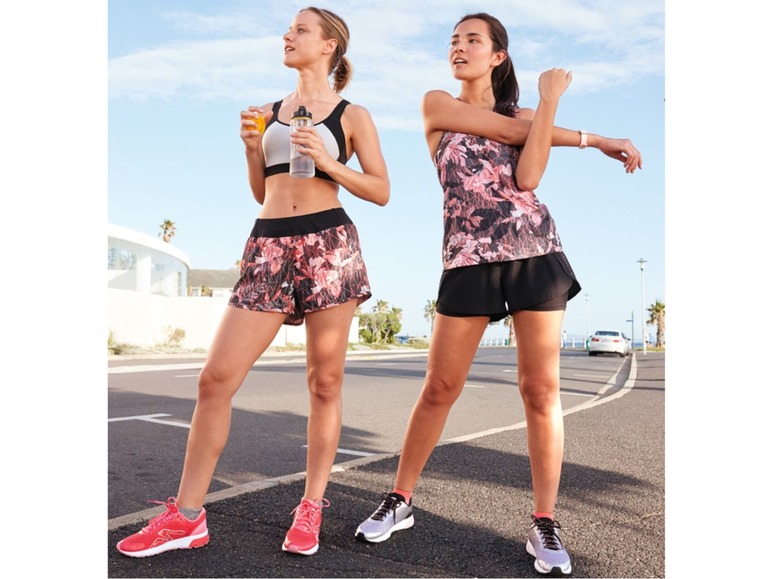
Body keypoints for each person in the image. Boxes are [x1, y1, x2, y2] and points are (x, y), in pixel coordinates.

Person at [354, 12, 641, 577]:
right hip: (467, 258)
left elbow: (529, 176)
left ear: (497, 55)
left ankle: (544, 521)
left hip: (534, 251)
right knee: (440, 386)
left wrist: (547, 107)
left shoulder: (531, 115)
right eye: (454, 41)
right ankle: (400, 499)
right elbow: (510, 134)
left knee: (539, 389)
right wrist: (597, 138)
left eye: (472, 40)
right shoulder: (438, 103)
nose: (458, 48)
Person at [116, 6, 389, 559]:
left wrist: (328, 162)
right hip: (267, 245)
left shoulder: (351, 114)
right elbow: (261, 190)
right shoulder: (266, 112)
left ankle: (310, 506)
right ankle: (187, 517)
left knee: (324, 384)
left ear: (330, 45)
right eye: (288, 29)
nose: (287, 36)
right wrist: (250, 147)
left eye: (301, 30)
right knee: (215, 378)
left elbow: (381, 190)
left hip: (329, 246)